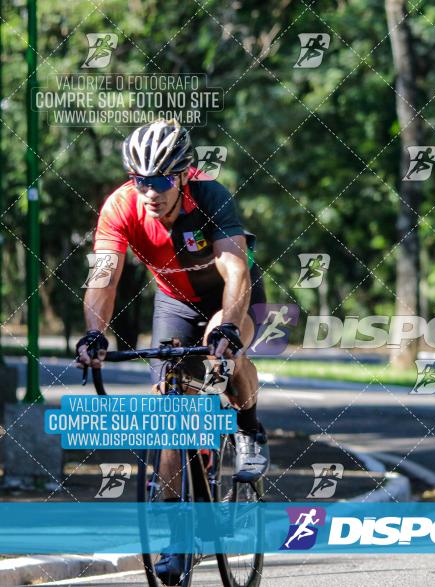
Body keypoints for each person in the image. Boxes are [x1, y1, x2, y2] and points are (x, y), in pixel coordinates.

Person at [74, 119, 268, 583]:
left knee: (224, 344)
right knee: (170, 402)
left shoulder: (212, 197)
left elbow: (235, 273)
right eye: (140, 180)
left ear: (184, 175)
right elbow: (103, 277)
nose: (150, 192)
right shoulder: (119, 207)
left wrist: (229, 331)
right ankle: (176, 530)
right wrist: (94, 334)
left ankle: (249, 426)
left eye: (161, 181)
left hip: (228, 293)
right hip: (174, 299)